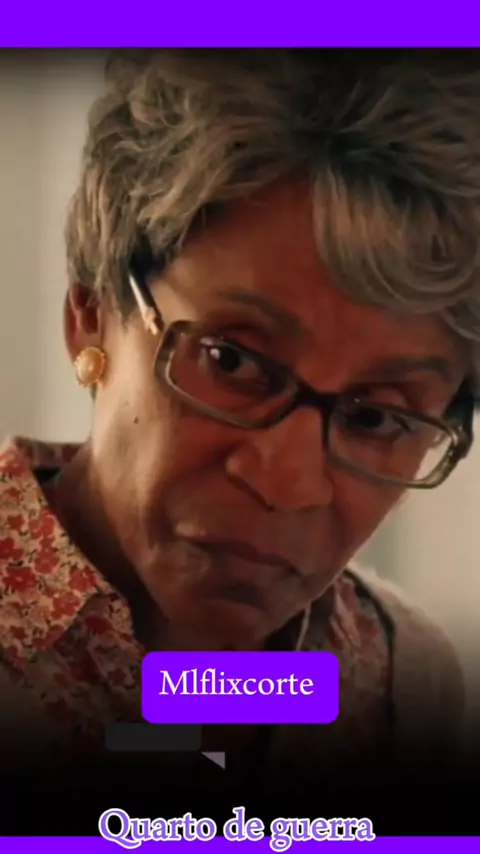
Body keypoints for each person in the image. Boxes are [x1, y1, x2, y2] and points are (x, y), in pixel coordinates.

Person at [1, 49, 479, 828]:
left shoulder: (405, 680)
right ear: (91, 314)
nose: (288, 483)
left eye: (374, 417)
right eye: (232, 361)